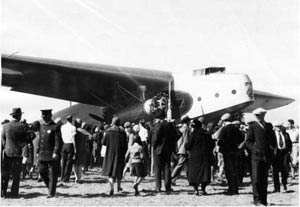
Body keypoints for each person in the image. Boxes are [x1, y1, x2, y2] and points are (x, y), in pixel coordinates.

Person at [246, 108, 277, 206]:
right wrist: (255, 149)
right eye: (256, 115)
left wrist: (273, 148)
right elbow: (248, 141)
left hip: (267, 156)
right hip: (256, 156)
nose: (257, 117)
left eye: (259, 115)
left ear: (264, 115)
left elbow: (273, 139)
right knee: (256, 179)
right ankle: (257, 200)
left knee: (264, 179)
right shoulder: (253, 127)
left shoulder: (268, 126)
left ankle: (264, 200)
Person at [1, 108, 34, 198]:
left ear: (12, 116)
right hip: (18, 153)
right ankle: (14, 193)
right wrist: (24, 141)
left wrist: (7, 147)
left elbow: (3, 139)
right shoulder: (23, 126)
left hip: (7, 153)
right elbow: (32, 135)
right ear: (19, 115)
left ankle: (3, 192)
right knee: (16, 175)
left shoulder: (5, 126)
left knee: (5, 174)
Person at [37, 109, 63, 198]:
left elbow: (58, 141)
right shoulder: (41, 126)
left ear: (50, 116)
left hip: (52, 154)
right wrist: (38, 152)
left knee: (53, 174)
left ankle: (51, 192)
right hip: (42, 153)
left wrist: (56, 152)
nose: (43, 118)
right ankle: (50, 187)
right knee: (41, 171)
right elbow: (40, 140)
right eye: (42, 117)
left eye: (45, 117)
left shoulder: (55, 126)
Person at [151, 111, 179, 193]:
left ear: (158, 118)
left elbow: (155, 137)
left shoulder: (158, 125)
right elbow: (177, 134)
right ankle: (168, 187)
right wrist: (171, 144)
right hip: (168, 149)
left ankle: (158, 187)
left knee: (158, 169)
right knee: (167, 168)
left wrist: (154, 146)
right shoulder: (170, 125)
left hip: (158, 149)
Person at [185, 119, 215, 195]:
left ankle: (196, 189)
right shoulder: (207, 134)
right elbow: (212, 145)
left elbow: (188, 146)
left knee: (195, 173)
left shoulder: (193, 135)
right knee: (205, 173)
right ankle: (203, 189)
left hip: (195, 156)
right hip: (205, 156)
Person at [217, 113, 244, 195]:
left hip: (227, 152)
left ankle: (231, 188)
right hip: (235, 151)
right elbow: (241, 139)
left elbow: (220, 142)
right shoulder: (236, 129)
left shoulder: (224, 129)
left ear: (224, 121)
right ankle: (235, 189)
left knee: (228, 171)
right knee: (235, 170)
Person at [101, 116, 127, 196]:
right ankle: (119, 186)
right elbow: (124, 144)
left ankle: (111, 187)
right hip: (119, 154)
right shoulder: (122, 132)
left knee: (110, 172)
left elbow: (103, 142)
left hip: (110, 154)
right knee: (119, 171)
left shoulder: (108, 131)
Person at [125, 127, 146, 196]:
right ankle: (136, 184)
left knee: (136, 175)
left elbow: (128, 155)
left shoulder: (131, 147)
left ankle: (136, 191)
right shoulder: (140, 147)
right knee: (141, 176)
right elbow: (142, 156)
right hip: (138, 162)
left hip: (132, 162)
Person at [272, 123, 292, 192]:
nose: (278, 128)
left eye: (280, 126)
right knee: (275, 171)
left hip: (284, 153)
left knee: (285, 169)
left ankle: (284, 183)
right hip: (276, 154)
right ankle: (277, 187)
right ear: (274, 127)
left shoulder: (286, 134)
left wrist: (289, 151)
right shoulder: (272, 135)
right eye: (277, 126)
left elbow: (289, 143)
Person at [171, 115, 190, 185]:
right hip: (183, 149)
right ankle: (172, 178)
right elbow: (185, 140)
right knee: (180, 165)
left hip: (182, 149)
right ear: (187, 121)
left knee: (185, 165)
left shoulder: (183, 128)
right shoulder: (185, 129)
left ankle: (189, 179)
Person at [60, 115, 76, 183]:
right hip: (70, 144)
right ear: (71, 119)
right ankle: (66, 178)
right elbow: (73, 138)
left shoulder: (62, 127)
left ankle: (62, 176)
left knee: (63, 162)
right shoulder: (73, 127)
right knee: (69, 162)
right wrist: (75, 148)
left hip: (64, 144)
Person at [73, 118, 89, 183]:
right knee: (79, 164)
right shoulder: (84, 131)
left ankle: (76, 176)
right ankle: (79, 177)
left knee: (74, 164)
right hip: (82, 149)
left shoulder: (74, 131)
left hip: (75, 149)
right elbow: (88, 138)